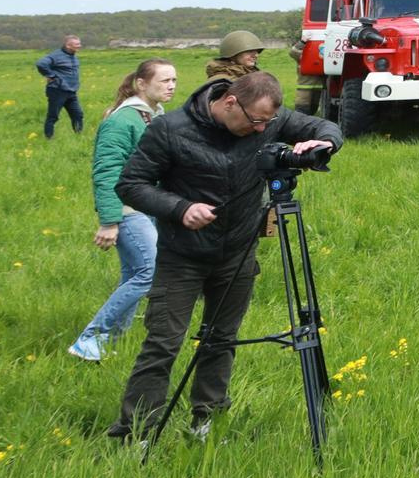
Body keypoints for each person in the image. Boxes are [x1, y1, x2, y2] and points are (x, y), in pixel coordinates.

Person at [107, 71, 340, 442]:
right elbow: (130, 185)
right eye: (256, 121)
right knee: (163, 344)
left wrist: (323, 143)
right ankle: (135, 433)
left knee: (221, 339)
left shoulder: (267, 119)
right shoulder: (171, 129)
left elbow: (323, 124)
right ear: (230, 102)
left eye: (269, 122)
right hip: (182, 256)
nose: (263, 129)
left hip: (238, 254)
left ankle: (207, 421)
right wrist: (180, 207)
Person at [71, 58, 177, 362]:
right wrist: (109, 221)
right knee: (149, 270)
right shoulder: (122, 120)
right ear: (141, 84)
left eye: (174, 81)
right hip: (128, 208)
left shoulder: (153, 115)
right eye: (164, 81)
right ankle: (89, 338)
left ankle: (110, 341)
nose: (170, 86)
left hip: (148, 205)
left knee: (134, 273)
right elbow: (106, 172)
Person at [37, 34, 83, 138]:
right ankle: (48, 138)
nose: (79, 46)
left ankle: (79, 137)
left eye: (79, 43)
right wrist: (51, 75)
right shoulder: (56, 55)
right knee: (53, 116)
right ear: (68, 45)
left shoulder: (73, 56)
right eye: (77, 44)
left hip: (71, 91)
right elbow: (41, 63)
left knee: (78, 115)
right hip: (57, 91)